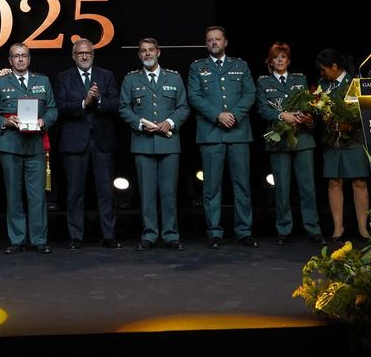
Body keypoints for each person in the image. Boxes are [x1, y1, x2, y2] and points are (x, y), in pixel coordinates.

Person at [187, 26, 258, 248]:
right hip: (211, 134)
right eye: (210, 40)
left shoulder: (240, 65)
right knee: (211, 187)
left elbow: (250, 94)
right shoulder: (197, 67)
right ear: (206, 44)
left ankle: (244, 231)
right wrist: (218, 115)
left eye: (218, 39)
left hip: (238, 133)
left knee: (242, 185)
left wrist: (233, 115)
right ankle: (214, 232)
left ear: (225, 42)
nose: (214, 43)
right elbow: (194, 97)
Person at [119, 38, 188, 251]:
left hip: (168, 143)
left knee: (168, 192)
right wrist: (140, 124)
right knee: (147, 193)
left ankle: (170, 235)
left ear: (158, 52)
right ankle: (149, 235)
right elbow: (124, 108)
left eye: (151, 50)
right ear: (139, 55)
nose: (147, 54)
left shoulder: (174, 78)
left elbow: (184, 107)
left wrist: (170, 122)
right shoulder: (131, 80)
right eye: (143, 51)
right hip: (143, 143)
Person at [0, 43, 58, 254]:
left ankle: (38, 239)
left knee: (37, 195)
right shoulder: (0, 83)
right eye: (16, 56)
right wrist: (6, 122)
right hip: (10, 144)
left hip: (35, 144)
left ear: (29, 59)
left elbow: (53, 109)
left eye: (24, 56)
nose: (20, 60)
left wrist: (43, 121)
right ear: (10, 61)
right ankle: (17, 239)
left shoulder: (42, 81)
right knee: (14, 194)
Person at [255, 43, 325, 245]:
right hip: (279, 141)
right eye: (276, 57)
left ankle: (313, 229)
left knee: (308, 188)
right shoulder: (264, 82)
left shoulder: (299, 79)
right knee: (282, 189)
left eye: (283, 57)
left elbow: (309, 104)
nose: (279, 60)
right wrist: (281, 115)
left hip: (302, 139)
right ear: (270, 61)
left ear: (289, 60)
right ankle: (283, 229)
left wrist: (306, 116)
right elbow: (262, 109)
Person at [55, 38, 121, 249]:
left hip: (102, 142)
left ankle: (109, 235)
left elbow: (115, 105)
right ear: (74, 56)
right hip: (74, 142)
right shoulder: (63, 77)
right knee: (74, 192)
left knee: (106, 191)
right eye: (80, 53)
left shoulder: (106, 75)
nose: (84, 56)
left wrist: (99, 100)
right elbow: (60, 107)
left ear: (93, 55)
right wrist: (84, 102)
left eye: (88, 53)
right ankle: (76, 236)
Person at [315, 49, 370, 242]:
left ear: (335, 67)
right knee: (334, 181)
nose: (322, 74)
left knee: (359, 182)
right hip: (332, 140)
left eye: (324, 70)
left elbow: (366, 110)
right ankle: (338, 227)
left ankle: (363, 227)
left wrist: (350, 124)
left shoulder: (355, 82)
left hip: (354, 138)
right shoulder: (323, 84)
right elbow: (318, 109)